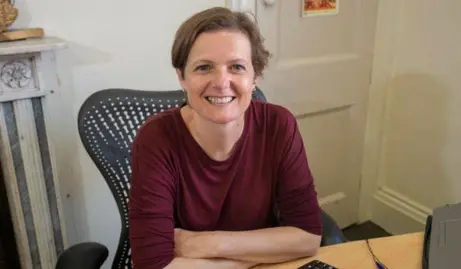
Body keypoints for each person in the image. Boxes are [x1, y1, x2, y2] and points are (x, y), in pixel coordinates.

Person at [128, 6, 323, 269]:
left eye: (237, 67)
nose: (221, 82)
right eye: (204, 67)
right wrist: (247, 261)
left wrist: (206, 244)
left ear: (255, 76)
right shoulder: (157, 138)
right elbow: (152, 265)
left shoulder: (279, 125)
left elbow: (307, 237)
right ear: (181, 77)